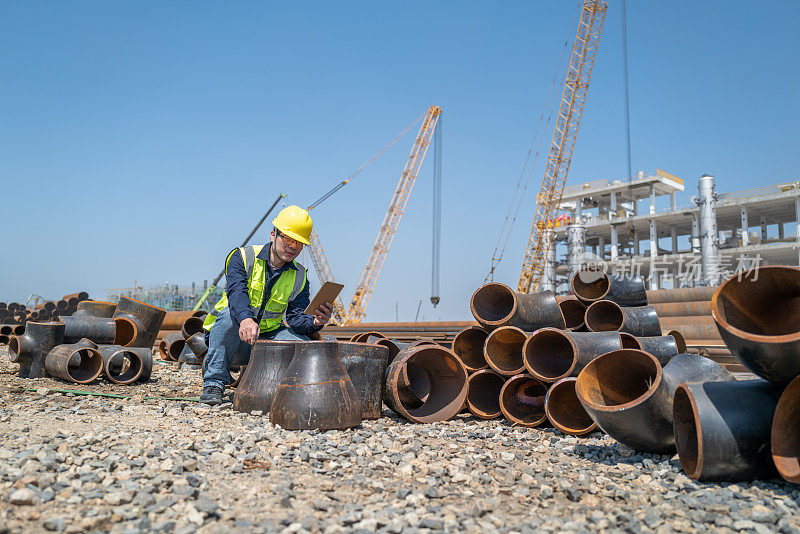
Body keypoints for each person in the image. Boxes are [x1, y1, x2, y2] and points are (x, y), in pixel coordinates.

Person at [199, 205, 333, 405]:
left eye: (299, 242)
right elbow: (237, 294)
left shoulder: (300, 276)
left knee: (304, 346)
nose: (293, 246)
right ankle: (214, 382)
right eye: (288, 238)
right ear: (273, 234)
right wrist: (245, 320)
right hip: (231, 340)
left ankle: (291, 388)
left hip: (265, 341)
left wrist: (315, 321)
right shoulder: (241, 257)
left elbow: (296, 319)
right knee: (229, 317)